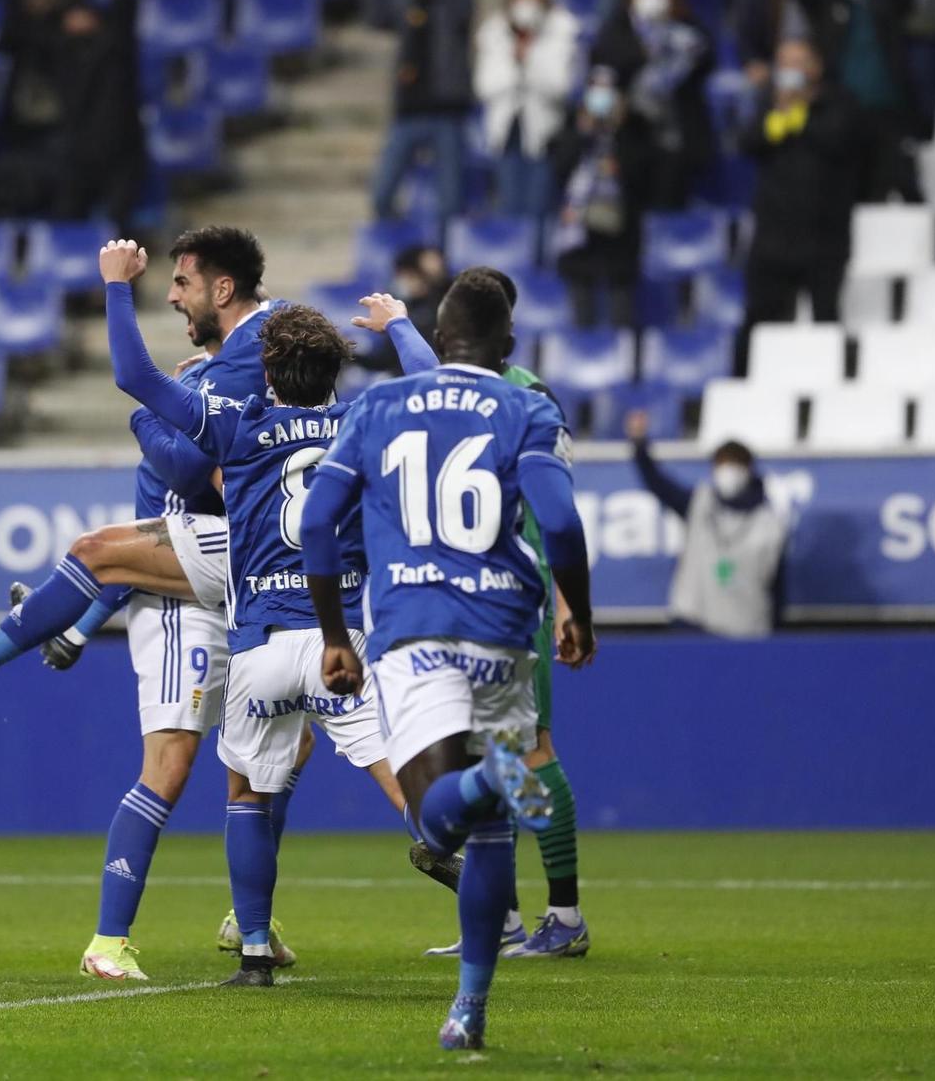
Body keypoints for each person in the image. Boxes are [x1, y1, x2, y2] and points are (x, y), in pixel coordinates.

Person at [0, 228, 289, 981]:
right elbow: (184, 484)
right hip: (208, 589)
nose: (173, 297)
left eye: (183, 283)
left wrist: (140, 379)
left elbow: (188, 456)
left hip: (235, 567)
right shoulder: (274, 341)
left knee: (260, 769)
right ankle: (112, 940)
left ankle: (253, 926)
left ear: (223, 289)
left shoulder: (244, 354)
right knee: (175, 764)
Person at [303, 269, 594, 1051]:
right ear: (507, 346)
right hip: (506, 628)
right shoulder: (526, 403)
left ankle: (492, 778)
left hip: (417, 625)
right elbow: (561, 525)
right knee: (494, 830)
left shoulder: (377, 406)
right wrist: (581, 611)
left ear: (437, 341)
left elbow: (318, 521)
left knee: (437, 817)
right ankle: (469, 1008)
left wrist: (334, 633)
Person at [99, 249, 402, 988]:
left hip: (261, 643)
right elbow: (423, 391)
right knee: (409, 780)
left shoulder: (238, 427)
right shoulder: (359, 426)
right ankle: (450, 846)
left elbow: (140, 384)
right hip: (340, 643)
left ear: (267, 370)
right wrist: (400, 326)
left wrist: (116, 288)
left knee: (245, 790)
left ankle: (257, 947)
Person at [786, 0, 935, 204]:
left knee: (898, 183)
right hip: (842, 110)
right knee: (846, 187)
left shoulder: (887, 3)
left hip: (888, 110)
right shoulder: (830, 1)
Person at [625, 412, 787, 636]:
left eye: (735, 465)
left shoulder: (769, 524)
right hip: (693, 624)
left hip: (746, 631)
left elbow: (777, 586)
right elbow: (658, 483)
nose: (727, 472)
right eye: (722, 464)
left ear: (749, 470)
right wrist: (639, 445)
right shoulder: (699, 503)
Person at [741, 38, 866, 325]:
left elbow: (838, 141)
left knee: (824, 321)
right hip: (772, 236)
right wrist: (779, 115)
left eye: (798, 62)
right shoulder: (767, 101)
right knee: (762, 322)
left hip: (824, 237)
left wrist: (802, 114)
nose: (790, 70)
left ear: (816, 67)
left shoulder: (840, 102)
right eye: (784, 63)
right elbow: (748, 144)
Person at [365, 0, 476, 229]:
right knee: (382, 193)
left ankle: (443, 256)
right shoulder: (406, 2)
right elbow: (376, 17)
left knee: (450, 198)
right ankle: (402, 248)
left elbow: (462, 10)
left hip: (446, 110)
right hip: (409, 110)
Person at [589, 0, 714, 210]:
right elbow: (605, 63)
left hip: (675, 139)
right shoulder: (617, 31)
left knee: (667, 209)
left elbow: (705, 62)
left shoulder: (690, 33)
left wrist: (666, 39)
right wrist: (645, 51)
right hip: (628, 137)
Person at [549, 66, 652, 326]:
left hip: (620, 236)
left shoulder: (634, 131)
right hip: (581, 236)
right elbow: (560, 168)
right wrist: (583, 132)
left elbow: (645, 175)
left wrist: (619, 133)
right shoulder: (572, 128)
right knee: (582, 317)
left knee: (621, 316)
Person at [473, 0, 579, 219]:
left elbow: (560, 86)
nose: (526, 6)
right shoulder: (494, 33)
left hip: (546, 134)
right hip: (507, 130)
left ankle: (539, 254)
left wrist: (530, 59)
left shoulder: (561, 32)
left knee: (539, 206)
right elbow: (484, 87)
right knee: (510, 204)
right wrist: (515, 64)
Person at [54, 0, 148, 224]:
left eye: (83, 14)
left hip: (121, 145)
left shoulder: (116, 49)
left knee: (119, 220)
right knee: (71, 216)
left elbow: (125, 23)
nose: (78, 21)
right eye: (73, 16)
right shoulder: (64, 54)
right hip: (82, 149)